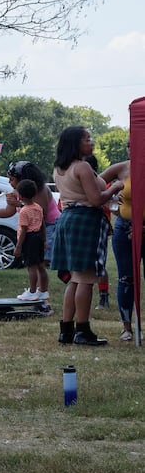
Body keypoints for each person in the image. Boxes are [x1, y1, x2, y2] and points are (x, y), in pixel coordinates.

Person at [52, 126, 123, 347]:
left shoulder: (59, 168)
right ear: (75, 143)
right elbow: (95, 199)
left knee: (75, 277)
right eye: (87, 139)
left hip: (68, 218)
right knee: (85, 278)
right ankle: (83, 330)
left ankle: (67, 330)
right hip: (84, 220)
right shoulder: (81, 167)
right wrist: (116, 187)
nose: (91, 142)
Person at [0, 160, 59, 304]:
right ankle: (40, 292)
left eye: (12, 179)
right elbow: (7, 212)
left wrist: (20, 204)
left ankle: (36, 292)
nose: (10, 182)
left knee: (36, 263)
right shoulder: (17, 193)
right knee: (39, 263)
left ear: (23, 179)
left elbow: (40, 213)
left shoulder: (39, 190)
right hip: (36, 230)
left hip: (47, 226)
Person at [103, 144, 133, 342]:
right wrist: (110, 201)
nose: (132, 147)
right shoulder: (121, 168)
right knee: (126, 278)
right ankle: (127, 327)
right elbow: (95, 184)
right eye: (129, 144)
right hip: (125, 228)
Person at [15, 180, 47, 302]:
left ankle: (32, 292)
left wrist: (18, 246)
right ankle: (43, 290)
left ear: (21, 196)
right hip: (38, 237)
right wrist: (44, 240)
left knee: (31, 266)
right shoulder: (38, 207)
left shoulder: (24, 211)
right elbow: (43, 224)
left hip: (29, 239)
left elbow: (23, 230)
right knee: (40, 265)